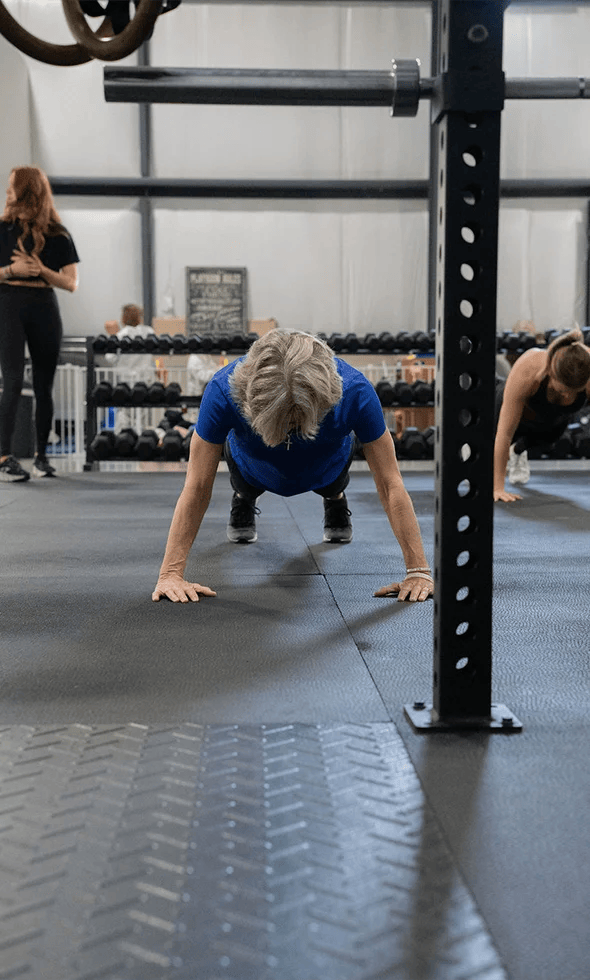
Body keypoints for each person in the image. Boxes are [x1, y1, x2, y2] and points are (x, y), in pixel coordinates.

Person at [152, 330, 434, 604]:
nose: (289, 433)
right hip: (252, 465)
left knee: (333, 481)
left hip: (326, 465)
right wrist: (170, 574)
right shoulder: (223, 389)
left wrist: (418, 570)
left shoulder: (355, 391)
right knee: (243, 481)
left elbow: (390, 482)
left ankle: (335, 499)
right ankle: (244, 499)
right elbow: (198, 484)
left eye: (295, 424)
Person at [0, 166, 79, 482]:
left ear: (26, 191)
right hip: (8, 305)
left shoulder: (58, 234)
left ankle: (42, 457)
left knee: (45, 386)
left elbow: (72, 282)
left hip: (44, 306)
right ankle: (5, 456)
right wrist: (11, 270)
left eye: (11, 187)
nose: (7, 193)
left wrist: (42, 270)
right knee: (14, 380)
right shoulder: (2, 229)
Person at [494, 328, 590, 503]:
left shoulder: (586, 368)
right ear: (551, 374)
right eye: (563, 390)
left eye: (573, 392)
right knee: (493, 436)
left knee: (551, 439)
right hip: (508, 406)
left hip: (550, 417)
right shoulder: (528, 368)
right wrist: (498, 488)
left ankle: (517, 451)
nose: (568, 396)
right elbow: (504, 433)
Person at [103, 304, 156, 434]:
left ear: (124, 318)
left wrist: (111, 336)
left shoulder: (121, 335)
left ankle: (123, 443)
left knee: (124, 414)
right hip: (145, 380)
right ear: (140, 317)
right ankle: (141, 443)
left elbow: (109, 357)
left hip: (125, 382)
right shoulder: (149, 332)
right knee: (142, 414)